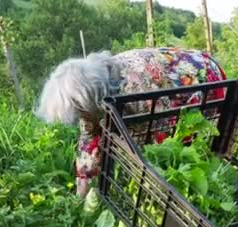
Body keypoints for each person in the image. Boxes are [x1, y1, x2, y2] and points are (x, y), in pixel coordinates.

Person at [35, 48, 227, 198]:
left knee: (179, 144)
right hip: (170, 75)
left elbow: (153, 138)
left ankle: (197, 186)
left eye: (78, 112)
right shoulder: (97, 88)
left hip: (198, 75)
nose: (79, 118)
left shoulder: (136, 90)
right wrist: (82, 190)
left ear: (86, 100)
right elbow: (89, 137)